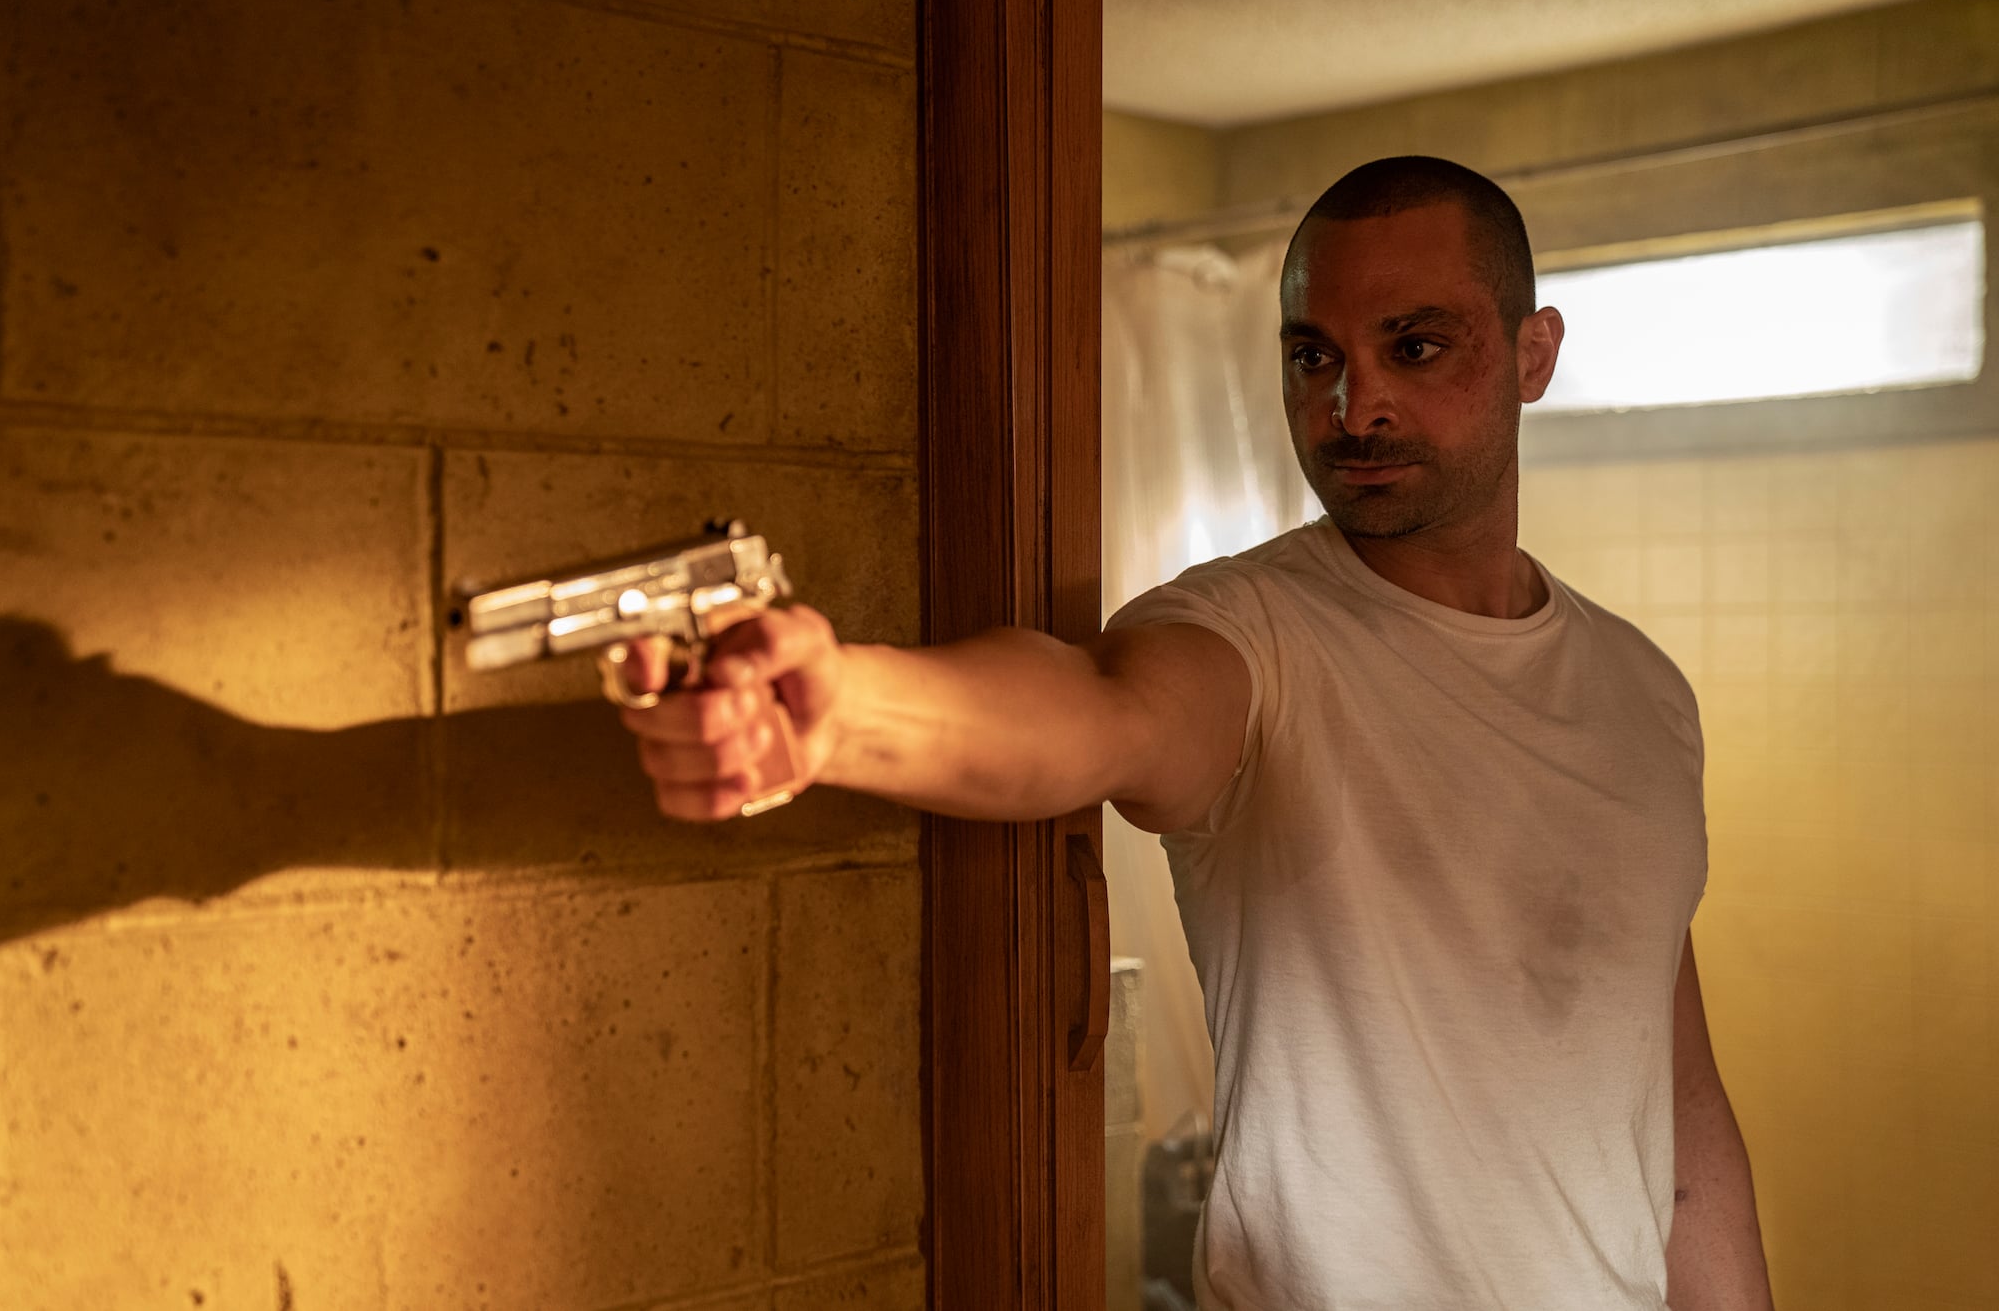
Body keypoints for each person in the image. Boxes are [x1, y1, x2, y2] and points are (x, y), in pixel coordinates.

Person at [619, 156, 1774, 1310]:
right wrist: (839, 709)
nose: (1351, 407)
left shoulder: (1642, 692)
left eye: (1414, 347)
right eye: (1312, 357)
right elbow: (1098, 710)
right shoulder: (1254, 632)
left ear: (1532, 354)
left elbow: (1679, 1108)